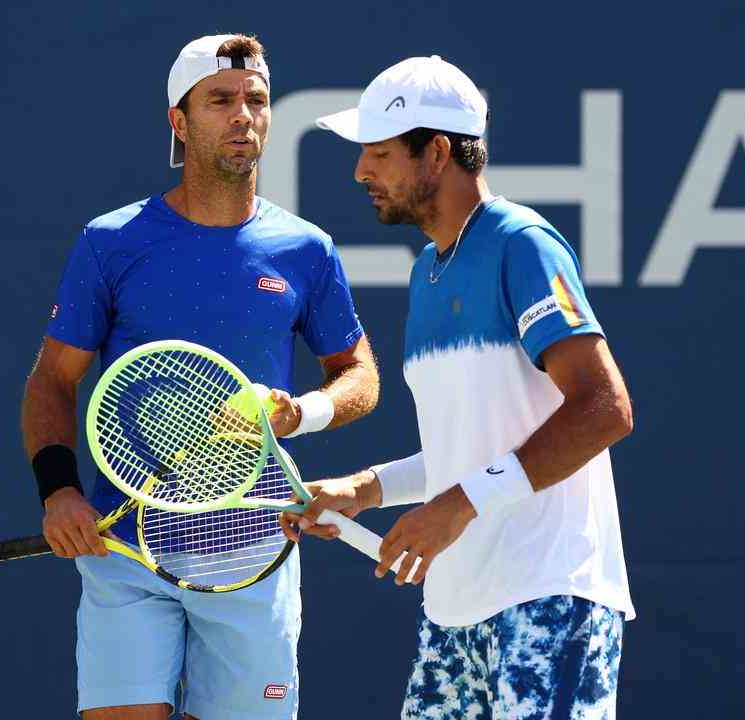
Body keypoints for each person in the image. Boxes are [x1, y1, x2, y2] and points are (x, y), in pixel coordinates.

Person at [21, 34, 379, 720]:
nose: (243, 114)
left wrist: (298, 413)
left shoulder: (307, 249)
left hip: (254, 549)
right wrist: (58, 490)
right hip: (126, 546)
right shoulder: (111, 242)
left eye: (257, 100)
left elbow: (357, 373)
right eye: (220, 100)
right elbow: (52, 383)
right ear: (178, 121)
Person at [283, 56, 636, 719]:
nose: (362, 172)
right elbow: (465, 453)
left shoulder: (522, 244)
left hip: (549, 599)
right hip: (456, 616)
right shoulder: (428, 273)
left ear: (437, 152)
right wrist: (366, 489)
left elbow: (604, 410)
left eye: (381, 154)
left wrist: (460, 504)